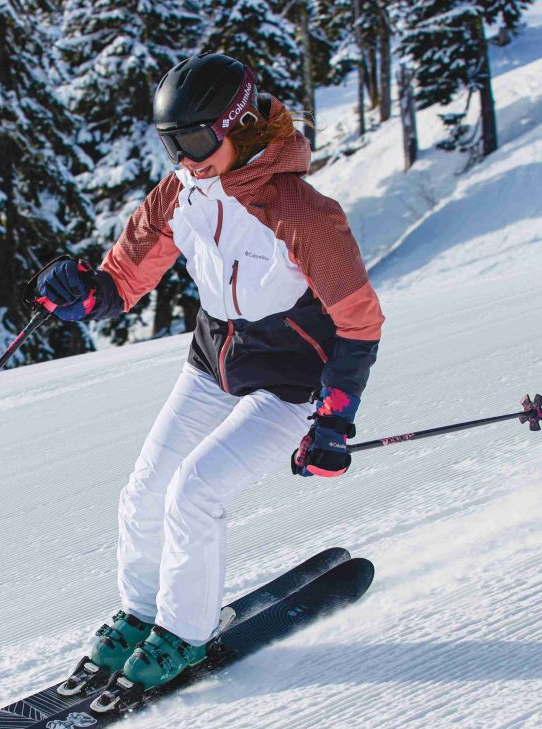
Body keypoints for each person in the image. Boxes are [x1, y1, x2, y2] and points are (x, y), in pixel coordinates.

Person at [36, 52, 384, 694]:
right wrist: (84, 295)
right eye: (172, 143)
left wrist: (333, 419)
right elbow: (123, 277)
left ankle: (185, 636)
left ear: (242, 123)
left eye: (197, 140)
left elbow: (359, 320)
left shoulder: (302, 211)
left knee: (194, 492)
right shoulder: (181, 192)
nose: (186, 158)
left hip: (288, 383)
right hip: (211, 365)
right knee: (144, 492)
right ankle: (141, 614)